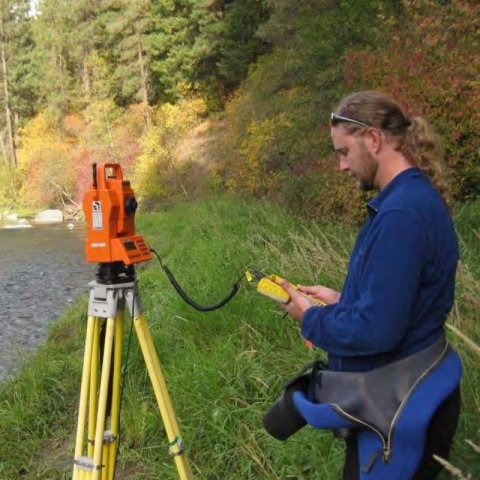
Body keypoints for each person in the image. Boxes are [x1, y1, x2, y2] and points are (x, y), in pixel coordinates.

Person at [279, 91, 461, 480]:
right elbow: (402, 303)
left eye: (344, 152)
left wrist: (309, 318)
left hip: (399, 410)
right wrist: (343, 301)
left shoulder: (401, 215)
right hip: (408, 395)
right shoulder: (408, 201)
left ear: (374, 140)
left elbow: (377, 330)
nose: (340, 166)